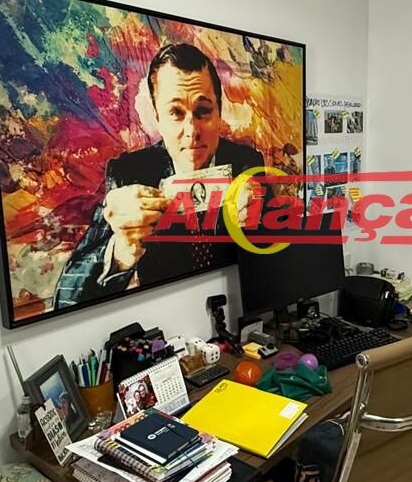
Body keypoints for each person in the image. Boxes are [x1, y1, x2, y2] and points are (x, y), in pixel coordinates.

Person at [54, 43, 263, 306]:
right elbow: (65, 298)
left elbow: (273, 258)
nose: (192, 131)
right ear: (157, 117)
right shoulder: (129, 173)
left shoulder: (247, 163)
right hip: (165, 311)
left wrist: (259, 226)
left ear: (219, 112)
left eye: (203, 111)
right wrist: (120, 251)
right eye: (176, 112)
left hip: (232, 303)